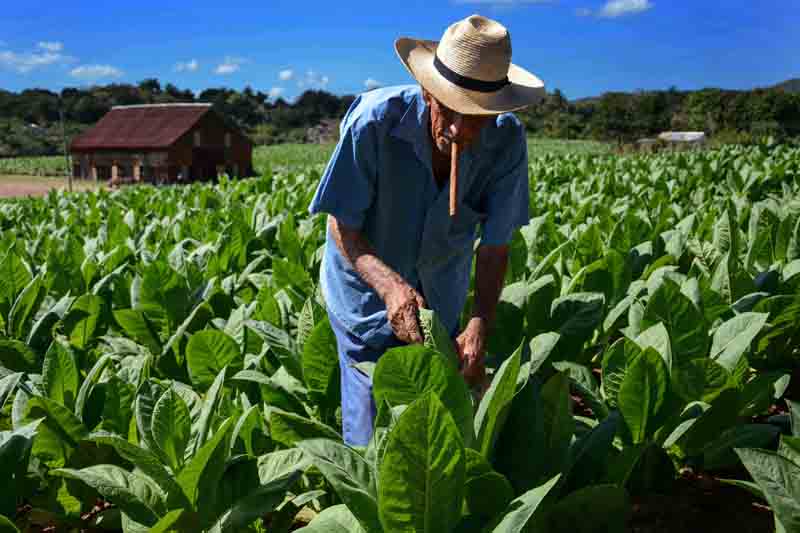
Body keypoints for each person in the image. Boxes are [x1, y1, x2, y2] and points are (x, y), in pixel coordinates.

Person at [308, 14, 545, 446]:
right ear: (427, 91)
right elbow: (342, 224)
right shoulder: (373, 124)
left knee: (436, 432)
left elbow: (494, 247)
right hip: (364, 300)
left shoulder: (507, 142)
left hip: (441, 299)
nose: (459, 130)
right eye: (449, 110)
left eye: (477, 118)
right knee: (370, 440)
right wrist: (390, 287)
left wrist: (479, 324)